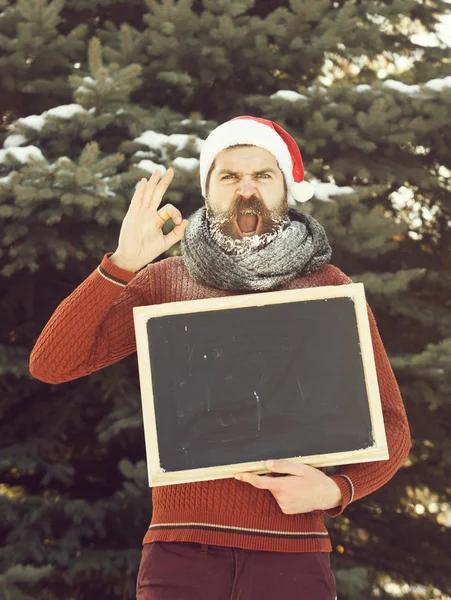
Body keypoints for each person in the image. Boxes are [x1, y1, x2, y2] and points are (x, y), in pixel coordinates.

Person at [30, 116, 411, 600]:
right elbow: (52, 363)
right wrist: (123, 263)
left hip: (293, 554)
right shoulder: (168, 279)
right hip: (180, 554)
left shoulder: (327, 287)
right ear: (209, 190)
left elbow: (393, 425)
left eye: (262, 175)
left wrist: (336, 492)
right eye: (229, 176)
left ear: (286, 189)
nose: (246, 188)